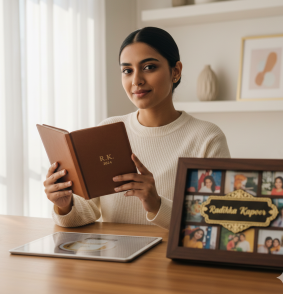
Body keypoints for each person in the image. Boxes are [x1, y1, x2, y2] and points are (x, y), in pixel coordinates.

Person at [43, 27, 231, 230]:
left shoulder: (207, 138)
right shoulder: (107, 131)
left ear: (175, 71)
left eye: (149, 67)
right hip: (112, 258)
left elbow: (219, 222)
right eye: (127, 70)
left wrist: (157, 205)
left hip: (170, 261)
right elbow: (87, 212)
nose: (136, 80)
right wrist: (65, 205)